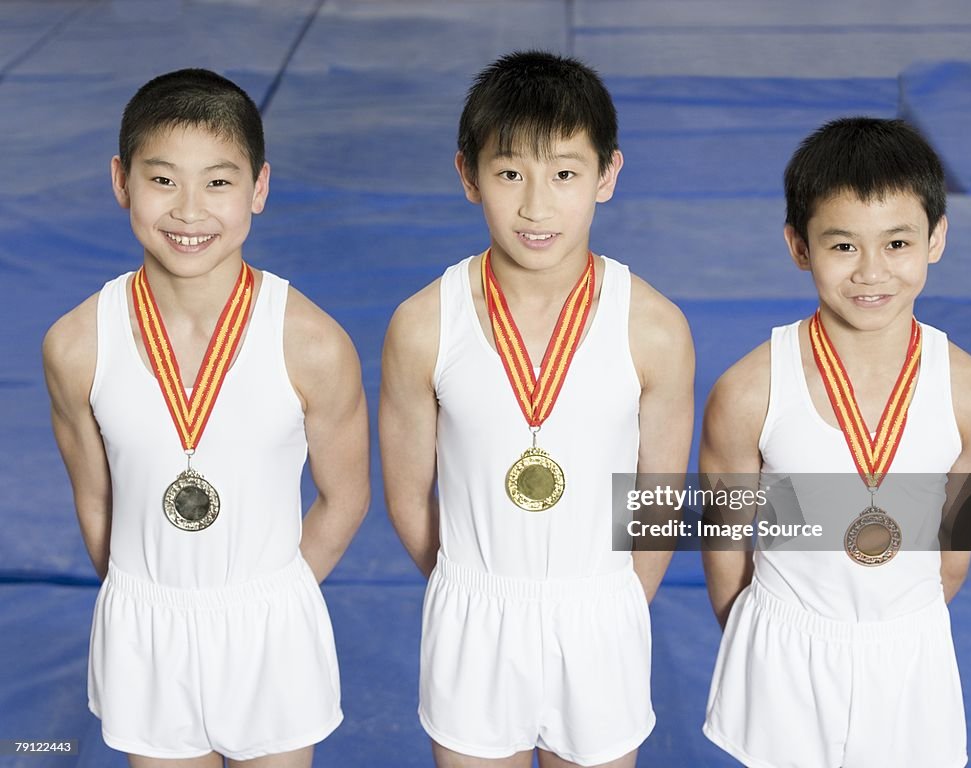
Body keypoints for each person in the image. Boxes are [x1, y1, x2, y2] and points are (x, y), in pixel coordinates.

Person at [42, 68, 370, 767]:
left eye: (218, 182)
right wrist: (148, 600)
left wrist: (268, 601)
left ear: (259, 188)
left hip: (268, 625)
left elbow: (346, 497)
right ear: (120, 181)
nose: (189, 211)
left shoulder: (311, 343)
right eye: (163, 180)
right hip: (148, 622)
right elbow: (95, 499)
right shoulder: (77, 345)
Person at [380, 51, 694, 768]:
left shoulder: (653, 327)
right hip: (475, 607)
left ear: (607, 176)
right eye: (509, 173)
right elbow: (407, 493)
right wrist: (472, 591)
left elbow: (659, 494)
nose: (536, 206)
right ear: (468, 176)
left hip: (602, 610)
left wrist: (615, 604)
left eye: (564, 174)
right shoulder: (425, 324)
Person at [700, 117, 971, 768]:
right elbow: (724, 537)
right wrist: (763, 640)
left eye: (897, 242)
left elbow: (957, 550)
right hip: (784, 643)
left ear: (937, 239)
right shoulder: (748, 390)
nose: (872, 273)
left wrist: (892, 630)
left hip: (911, 649)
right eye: (843, 247)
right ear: (798, 246)